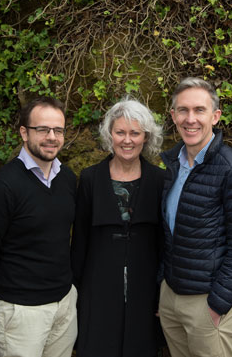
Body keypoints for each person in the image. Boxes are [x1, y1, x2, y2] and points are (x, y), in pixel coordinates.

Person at [158, 77, 232, 357]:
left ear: (215, 116)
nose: (190, 119)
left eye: (199, 110)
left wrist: (218, 304)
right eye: (183, 110)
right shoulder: (172, 165)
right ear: (173, 116)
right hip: (172, 295)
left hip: (208, 302)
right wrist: (163, 287)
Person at [0, 97, 77, 357]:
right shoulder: (3, 187)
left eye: (58, 130)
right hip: (21, 310)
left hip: (64, 303)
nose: (52, 137)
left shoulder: (68, 179)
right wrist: (5, 292)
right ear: (24, 132)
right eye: (43, 129)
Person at [71, 98, 165, 357]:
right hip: (98, 287)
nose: (127, 140)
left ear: (146, 137)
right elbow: (80, 239)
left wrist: (161, 289)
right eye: (120, 132)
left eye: (135, 133)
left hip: (144, 289)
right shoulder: (90, 178)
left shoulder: (159, 180)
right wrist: (76, 290)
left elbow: (163, 242)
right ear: (109, 134)